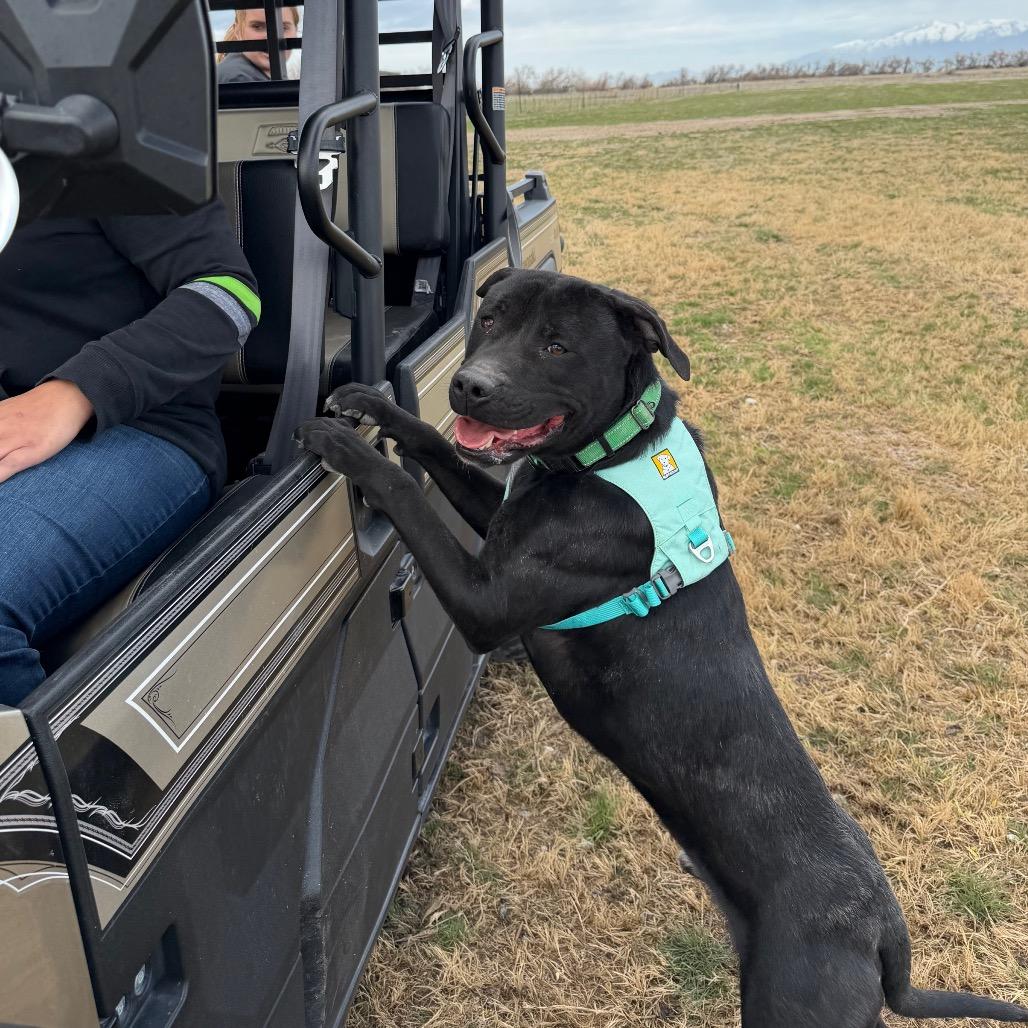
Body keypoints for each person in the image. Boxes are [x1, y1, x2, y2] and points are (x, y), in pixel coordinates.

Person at [0, 201, 260, 706]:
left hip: (142, 429)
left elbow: (229, 293)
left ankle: (65, 763)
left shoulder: (109, 156)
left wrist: (77, 391)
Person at [216, 7, 300, 84]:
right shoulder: (239, 79)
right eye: (257, 27)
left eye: (283, 28)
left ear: (295, 31)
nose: (270, 37)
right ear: (238, 32)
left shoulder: (259, 77)